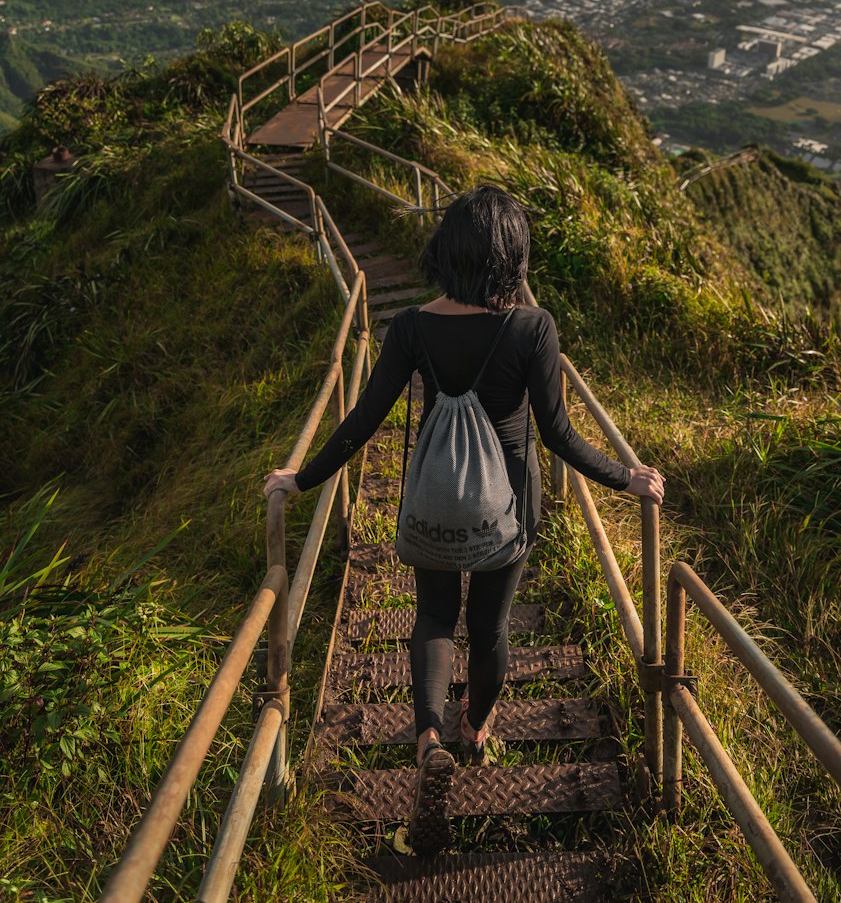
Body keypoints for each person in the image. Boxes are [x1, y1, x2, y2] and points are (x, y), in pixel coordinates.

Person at [264, 184, 664, 854]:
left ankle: (426, 740)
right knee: (490, 626)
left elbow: (363, 420)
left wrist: (300, 480)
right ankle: (476, 730)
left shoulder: (413, 326)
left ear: (448, 250)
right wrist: (629, 477)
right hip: (508, 512)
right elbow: (560, 435)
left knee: (431, 617)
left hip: (434, 502)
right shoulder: (533, 328)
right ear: (512, 259)